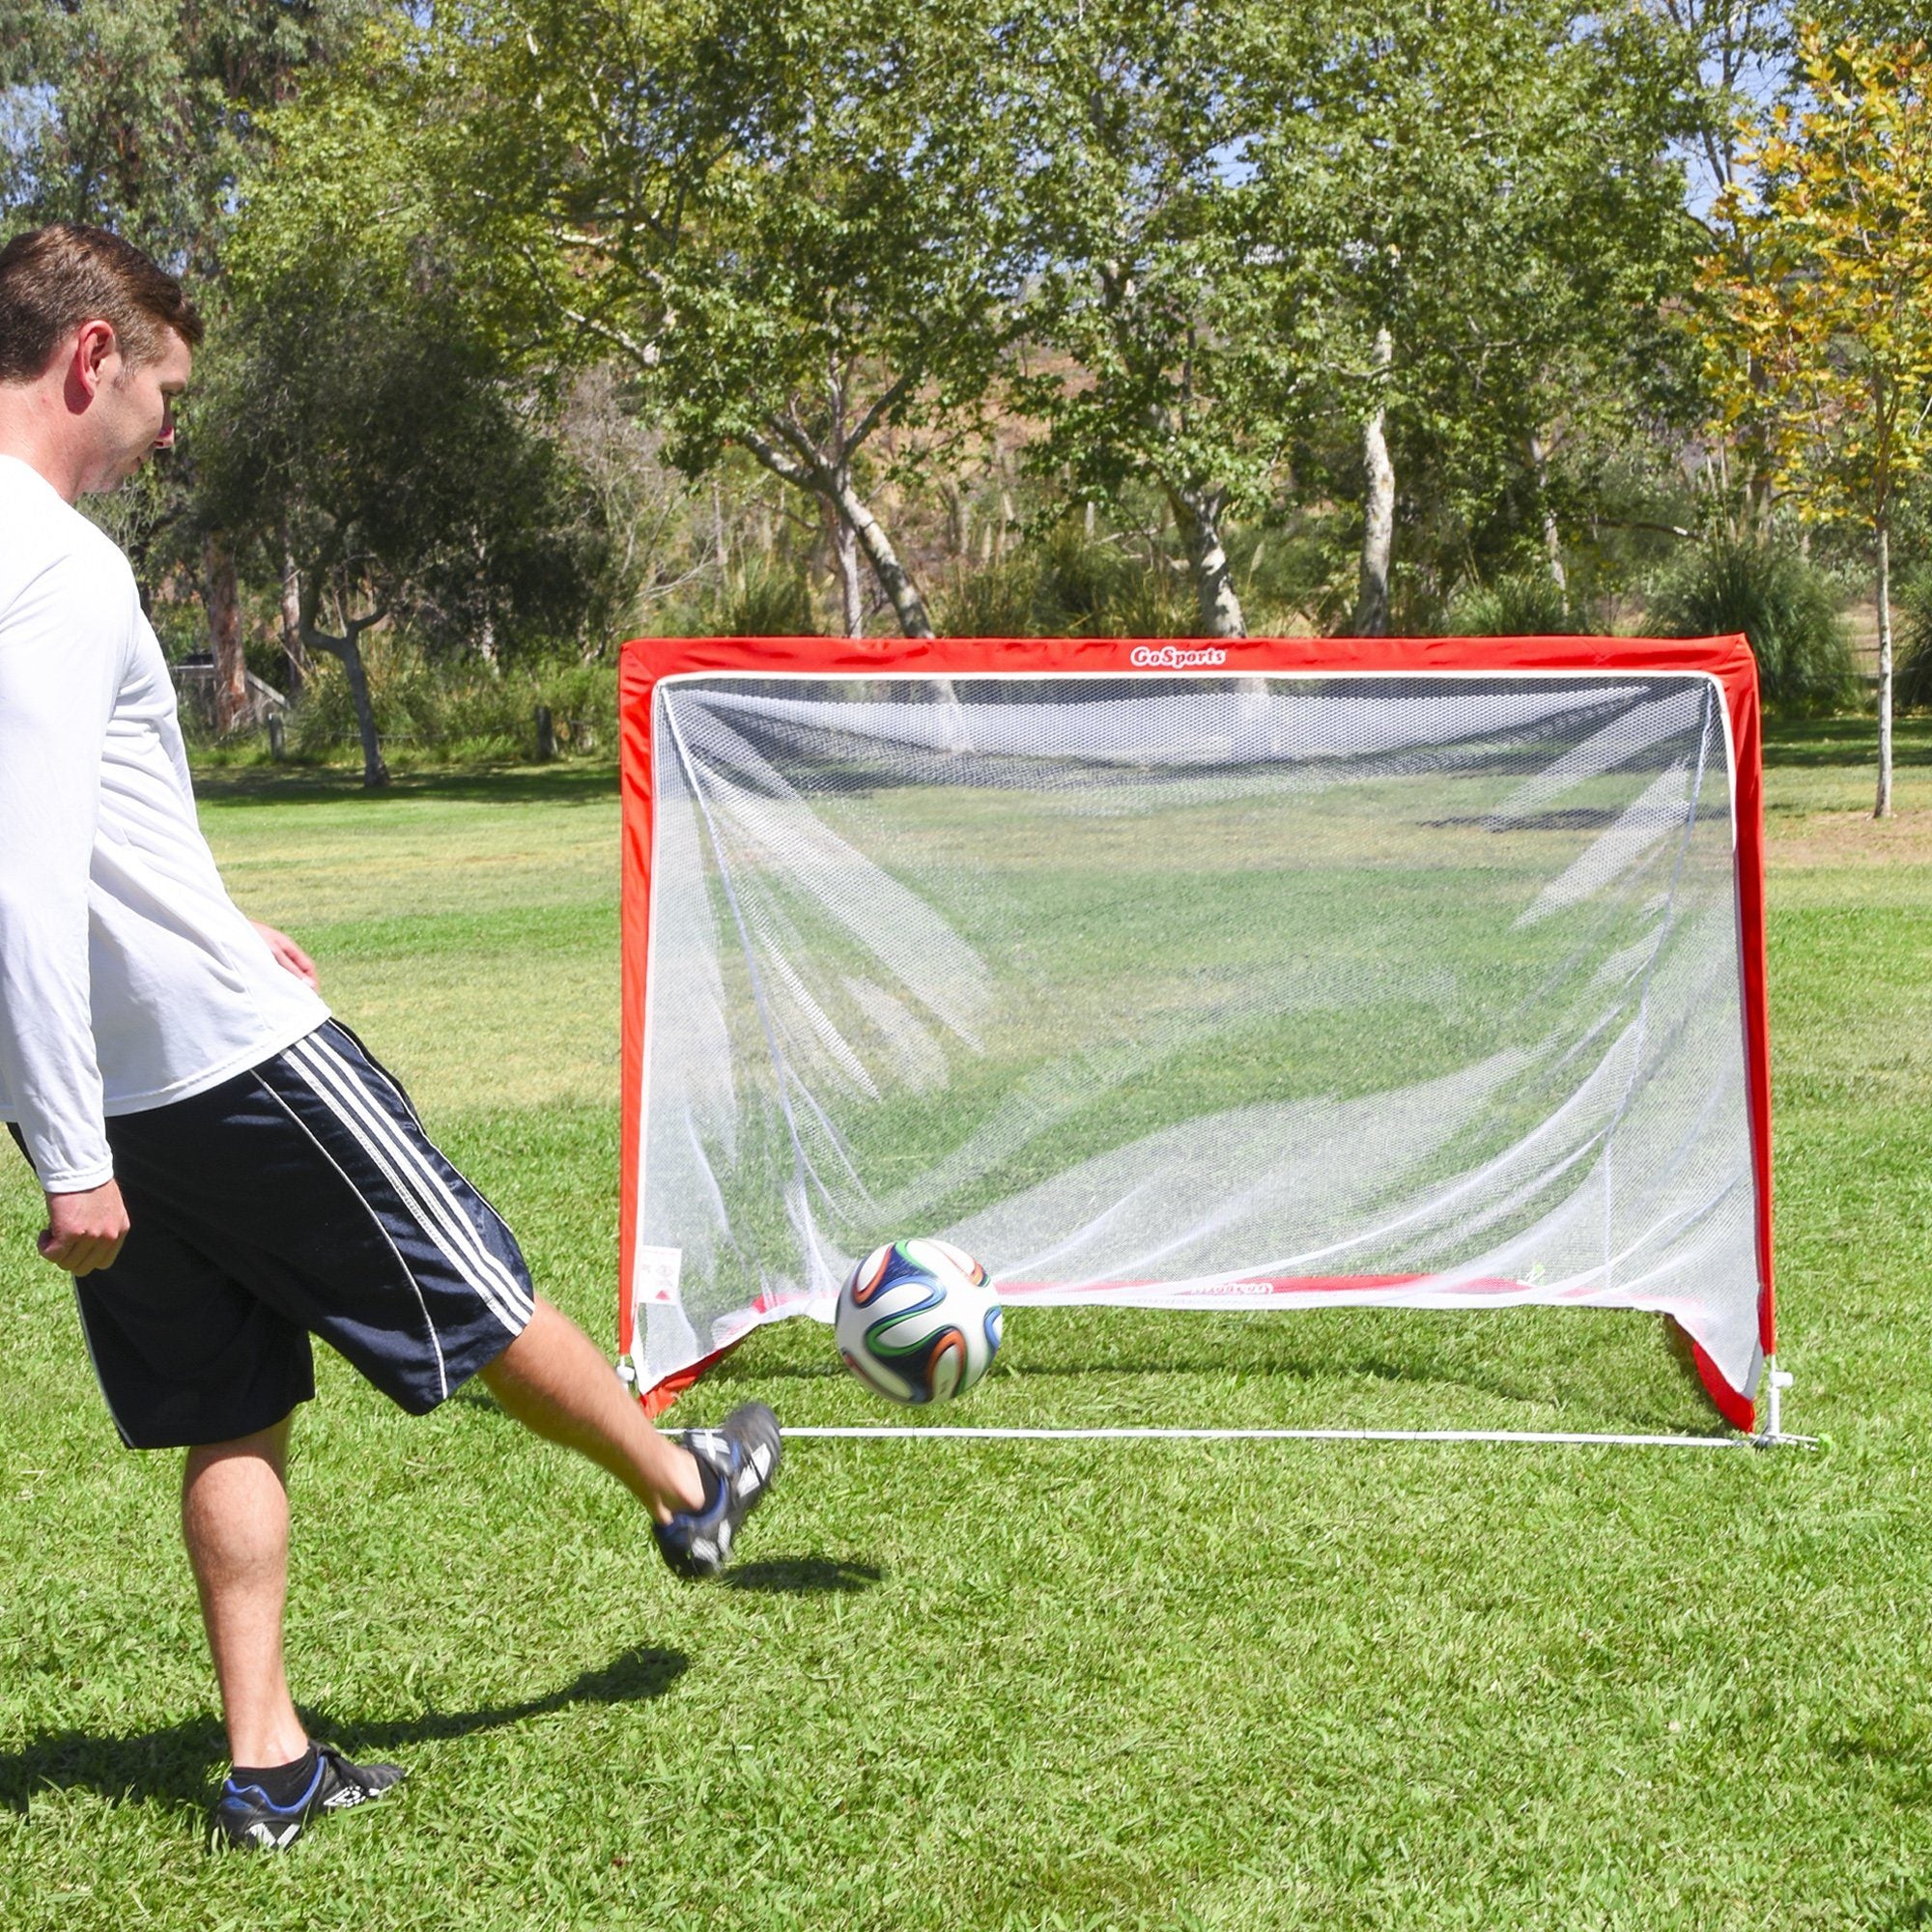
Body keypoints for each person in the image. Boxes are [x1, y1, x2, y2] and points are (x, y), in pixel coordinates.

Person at [0, 223, 781, 1853]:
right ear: (90, 358)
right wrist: (72, 1151)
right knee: (477, 1292)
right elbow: (19, 857)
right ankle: (692, 1491)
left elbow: (73, 836)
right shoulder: (57, 562)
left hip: (120, 1076)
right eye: (164, 393)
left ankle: (267, 1762)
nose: (165, 432)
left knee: (233, 1403)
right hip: (221, 1068)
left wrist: (178, 959)